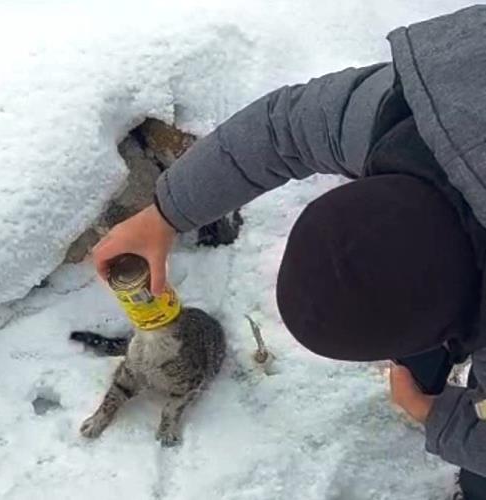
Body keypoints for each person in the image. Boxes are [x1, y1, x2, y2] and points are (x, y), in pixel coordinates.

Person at [91, 5, 486, 499]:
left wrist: (444, 423)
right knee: (391, 292)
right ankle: (419, 368)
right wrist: (164, 214)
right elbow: (284, 128)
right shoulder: (412, 119)